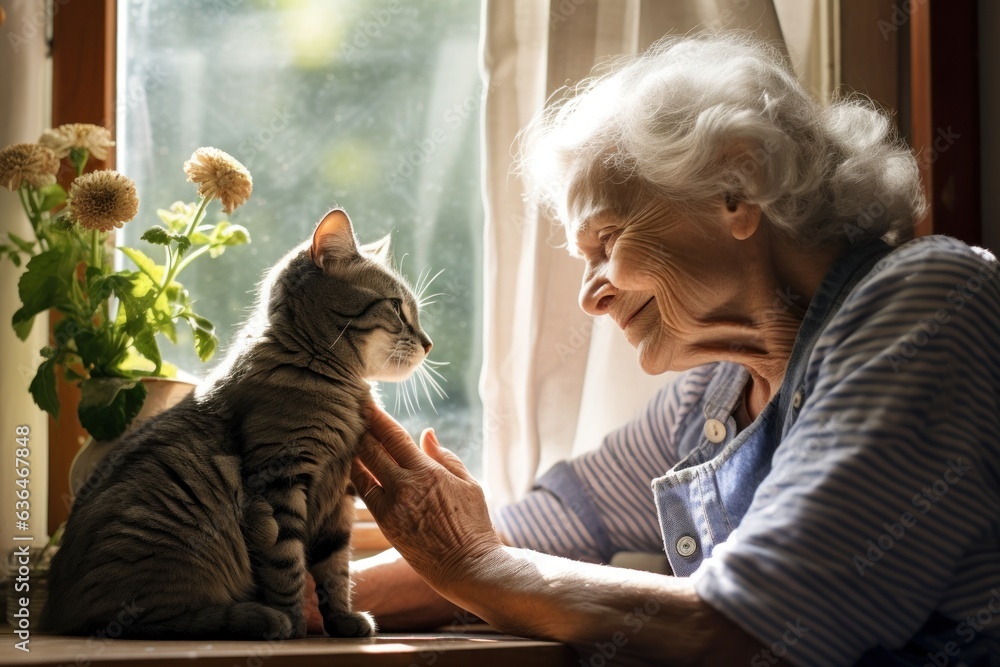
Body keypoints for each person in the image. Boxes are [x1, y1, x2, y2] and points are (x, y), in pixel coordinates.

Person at [346, 33, 1000, 666]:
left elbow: (746, 630)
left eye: (607, 241)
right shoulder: (715, 397)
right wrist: (305, 596)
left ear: (736, 189)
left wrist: (474, 564)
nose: (590, 299)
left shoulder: (931, 300)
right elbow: (547, 527)